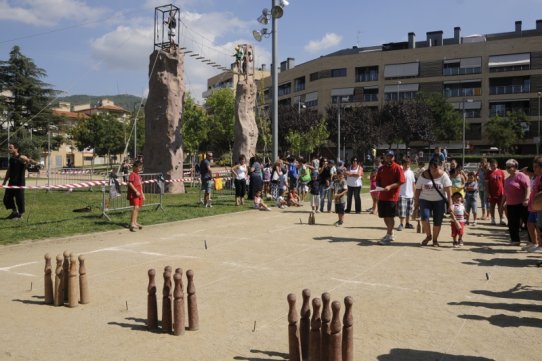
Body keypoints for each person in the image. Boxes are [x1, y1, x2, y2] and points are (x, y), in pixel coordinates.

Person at [413, 158, 452, 247]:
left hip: (439, 201)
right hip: (425, 200)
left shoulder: (444, 175)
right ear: (429, 167)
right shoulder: (423, 175)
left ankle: (435, 240)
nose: (434, 171)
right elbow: (418, 189)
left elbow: (449, 192)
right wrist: (416, 201)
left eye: (436, 169)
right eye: (432, 168)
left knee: (437, 221)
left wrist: (451, 204)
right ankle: (428, 236)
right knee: (424, 218)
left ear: (440, 167)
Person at [375, 150, 405, 244]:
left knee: (390, 216)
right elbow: (378, 180)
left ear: (394, 158)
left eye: (391, 156)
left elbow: (401, 181)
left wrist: (390, 187)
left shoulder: (397, 168)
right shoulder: (381, 168)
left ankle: (389, 234)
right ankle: (390, 234)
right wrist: (379, 187)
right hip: (382, 196)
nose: (389, 158)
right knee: (384, 216)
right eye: (388, 156)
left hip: (392, 196)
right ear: (385, 157)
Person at [2, 142, 36, 220]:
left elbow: (34, 162)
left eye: (11, 148)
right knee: (7, 198)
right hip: (11, 182)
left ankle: (20, 215)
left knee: (19, 199)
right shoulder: (11, 159)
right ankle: (14, 212)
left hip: (20, 182)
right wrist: (4, 181)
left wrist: (27, 160)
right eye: (9, 148)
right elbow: (9, 171)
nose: (9, 149)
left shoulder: (21, 157)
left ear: (16, 149)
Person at [502, 159, 530, 246]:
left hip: (522, 203)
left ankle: (532, 241)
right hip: (511, 204)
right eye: (507, 167)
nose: (509, 169)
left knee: (528, 222)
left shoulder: (521, 175)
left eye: (511, 167)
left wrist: (526, 198)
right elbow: (505, 193)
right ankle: (515, 240)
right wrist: (502, 203)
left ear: (515, 167)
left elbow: (527, 187)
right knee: (512, 223)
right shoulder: (507, 180)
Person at [397, 158, 416, 230]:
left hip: (410, 195)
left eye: (408, 163)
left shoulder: (411, 172)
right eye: (405, 163)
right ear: (403, 164)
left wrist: (415, 194)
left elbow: (413, 183)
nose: (407, 165)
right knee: (402, 211)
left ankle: (407, 223)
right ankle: (401, 224)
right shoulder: (400, 172)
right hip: (402, 194)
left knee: (409, 211)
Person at [486, 158, 506, 225]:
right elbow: (486, 184)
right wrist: (488, 193)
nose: (493, 166)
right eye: (491, 165)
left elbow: (504, 182)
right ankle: (493, 219)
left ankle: (501, 219)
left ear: (497, 165)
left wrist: (504, 192)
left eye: (494, 165)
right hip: (492, 193)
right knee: (492, 206)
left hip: (500, 193)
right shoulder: (488, 173)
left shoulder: (501, 172)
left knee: (500, 207)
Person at [127, 160, 145, 232]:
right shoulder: (132, 174)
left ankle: (135, 222)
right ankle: (132, 223)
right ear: (135, 167)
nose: (140, 169)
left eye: (141, 167)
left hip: (139, 194)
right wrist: (136, 191)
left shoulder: (138, 175)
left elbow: (140, 185)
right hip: (134, 194)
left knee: (137, 208)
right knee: (135, 207)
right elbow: (130, 183)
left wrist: (142, 194)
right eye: (139, 167)